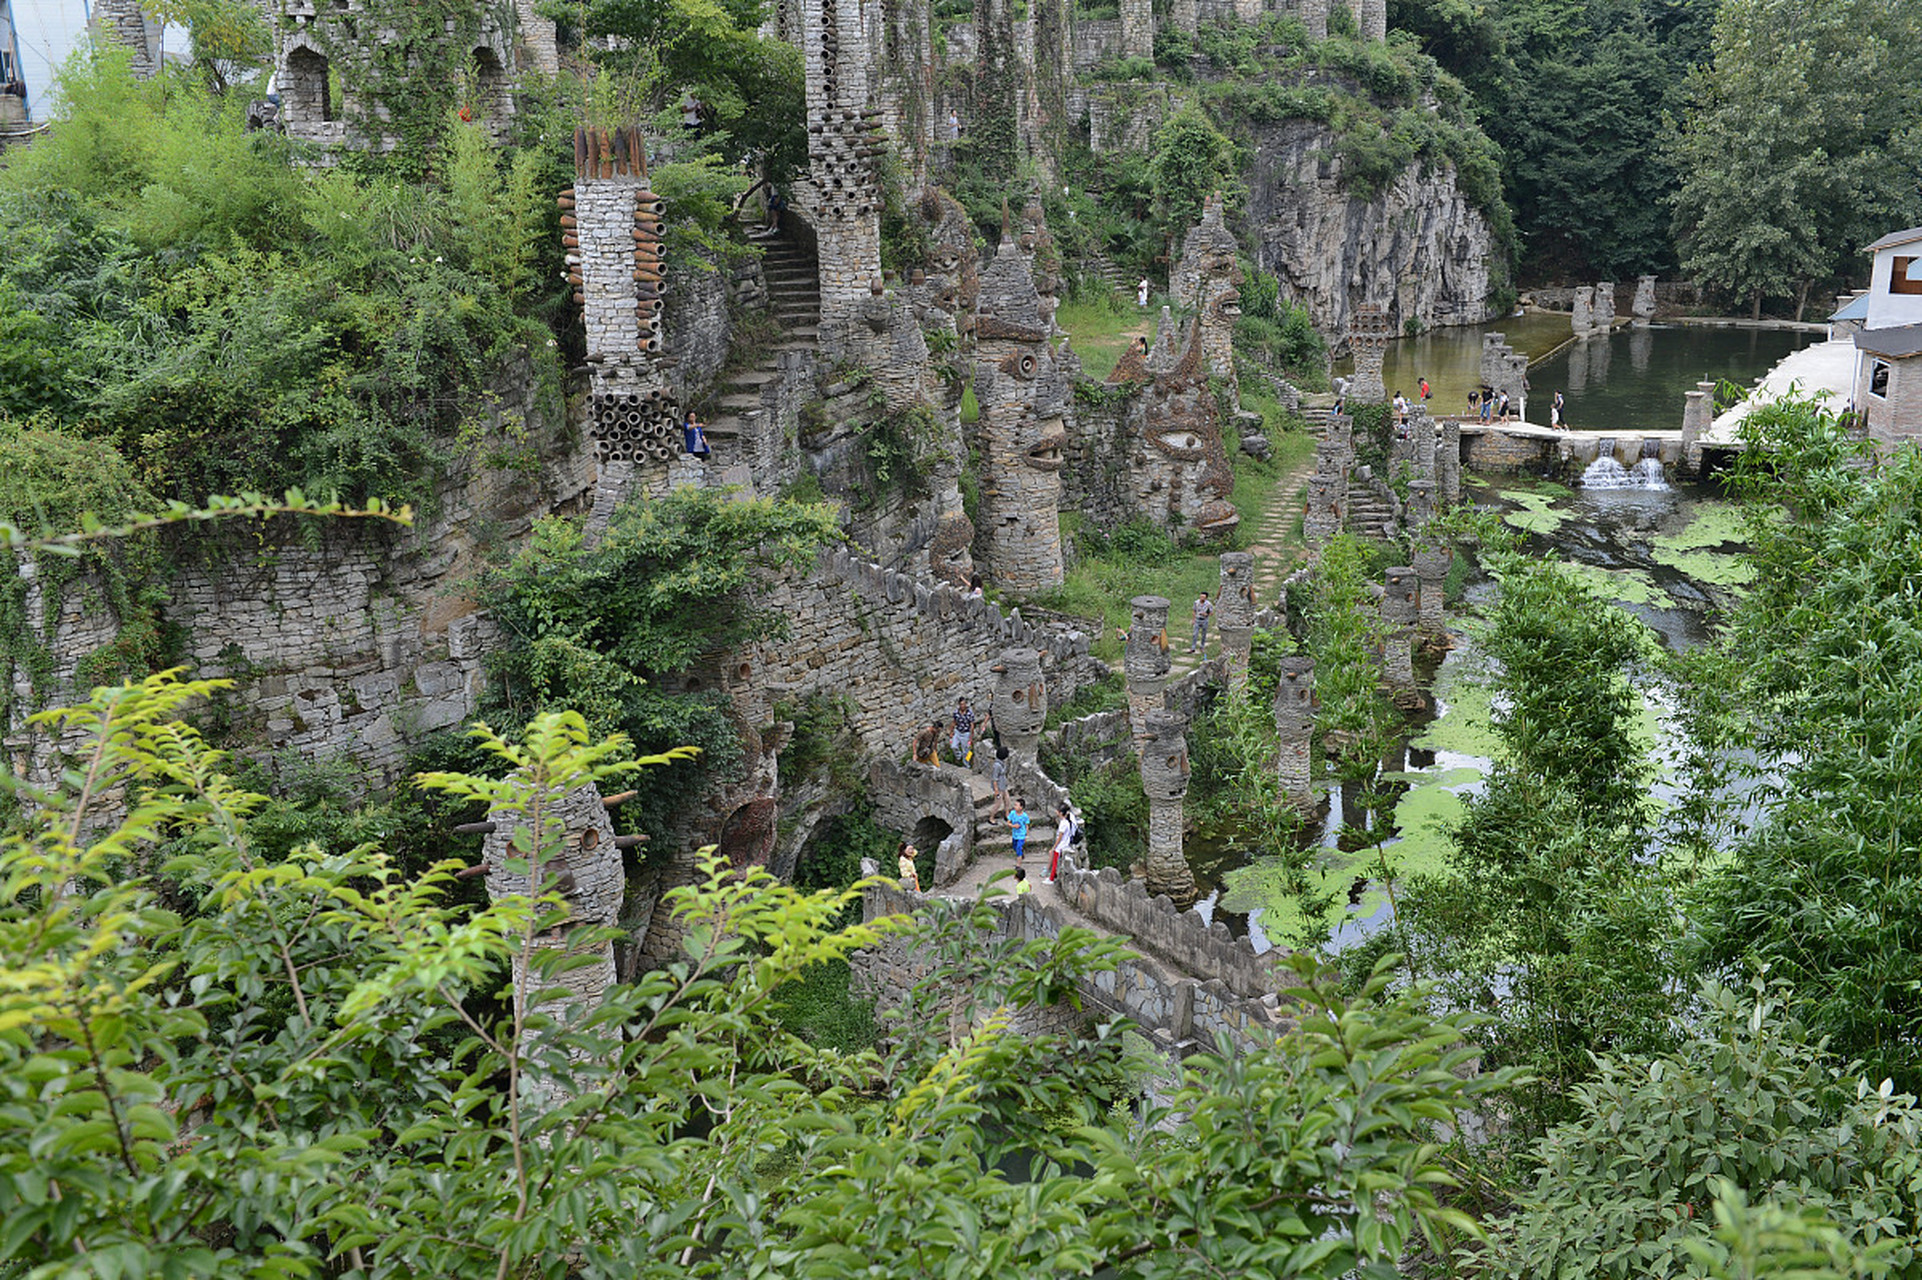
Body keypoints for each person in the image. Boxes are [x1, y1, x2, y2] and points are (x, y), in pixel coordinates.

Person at [1047, 803, 1077, 883]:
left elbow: (1060, 837)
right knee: (1056, 862)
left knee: (1055, 863)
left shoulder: (1063, 823)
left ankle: (1051, 879)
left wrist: (1054, 847)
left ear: (1060, 813)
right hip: (1064, 844)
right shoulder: (1066, 822)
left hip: (1060, 846)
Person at [951, 697, 975, 764]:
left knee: (967, 751)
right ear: (959, 704)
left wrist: (971, 737)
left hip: (966, 733)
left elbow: (972, 725)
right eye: (961, 704)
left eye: (964, 704)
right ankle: (959, 756)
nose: (963, 706)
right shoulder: (956, 712)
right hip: (958, 731)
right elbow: (954, 722)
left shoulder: (969, 713)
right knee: (953, 746)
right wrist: (951, 731)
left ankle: (967, 764)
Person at [1008, 798, 1030, 862]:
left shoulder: (1025, 816)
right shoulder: (1012, 813)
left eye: (1016, 805)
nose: (1014, 806)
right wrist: (1013, 826)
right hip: (1015, 834)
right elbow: (1008, 823)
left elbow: (1027, 825)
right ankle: (1021, 853)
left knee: (1018, 847)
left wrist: (1027, 835)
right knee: (1015, 847)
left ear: (1021, 807)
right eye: (1014, 805)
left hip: (1022, 835)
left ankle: (1018, 863)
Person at [991, 738, 1010, 813]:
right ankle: (991, 818)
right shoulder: (997, 766)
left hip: (1003, 786)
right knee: (998, 804)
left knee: (1007, 801)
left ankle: (1007, 815)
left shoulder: (1002, 763)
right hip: (999, 787)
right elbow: (994, 779)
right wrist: (996, 791)